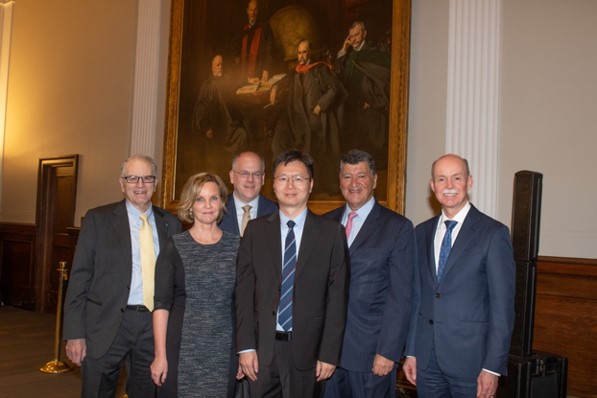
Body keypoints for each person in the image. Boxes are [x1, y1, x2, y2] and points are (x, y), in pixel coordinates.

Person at [63, 155, 182, 398]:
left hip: (153, 327)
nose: (140, 184)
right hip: (106, 324)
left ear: (156, 183)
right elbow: (79, 277)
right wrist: (75, 333)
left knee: (148, 392)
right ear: (122, 183)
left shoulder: (171, 224)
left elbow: (176, 282)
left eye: (147, 178)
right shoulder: (98, 219)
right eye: (133, 178)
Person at [236, 150, 348, 397]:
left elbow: (337, 300)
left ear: (311, 185)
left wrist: (329, 354)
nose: (290, 185)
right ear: (273, 185)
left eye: (298, 178)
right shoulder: (254, 232)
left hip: (308, 354)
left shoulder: (332, 234)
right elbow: (243, 294)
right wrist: (245, 347)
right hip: (261, 352)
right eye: (283, 178)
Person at [403, 154, 516, 398]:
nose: (450, 186)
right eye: (441, 179)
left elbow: (503, 308)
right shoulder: (420, 233)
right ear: (432, 186)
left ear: (469, 182)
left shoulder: (493, 234)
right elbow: (417, 299)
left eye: (457, 178)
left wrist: (492, 367)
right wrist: (411, 351)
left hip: (472, 365)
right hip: (427, 361)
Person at [323, 149, 416, 398]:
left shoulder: (398, 228)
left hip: (371, 355)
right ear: (340, 181)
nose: (354, 183)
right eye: (347, 176)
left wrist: (388, 351)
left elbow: (402, 296)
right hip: (327, 354)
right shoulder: (323, 224)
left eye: (361, 176)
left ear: (374, 180)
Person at [151, 173, 241, 397]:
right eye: (200, 199)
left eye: (214, 198)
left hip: (225, 349)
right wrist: (160, 355)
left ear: (222, 203)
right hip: (181, 349)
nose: (208, 205)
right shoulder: (174, 246)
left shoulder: (237, 245)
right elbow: (161, 305)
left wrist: (244, 352)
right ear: (190, 205)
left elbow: (243, 305)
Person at [271, 39, 346, 195]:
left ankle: (313, 185)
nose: (301, 56)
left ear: (309, 52)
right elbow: (283, 81)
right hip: (298, 118)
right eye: (299, 53)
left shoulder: (320, 70)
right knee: (281, 138)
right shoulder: (296, 71)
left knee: (311, 142)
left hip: (315, 117)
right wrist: (275, 87)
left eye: (304, 52)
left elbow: (334, 89)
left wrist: (319, 106)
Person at [335, 21, 391, 166]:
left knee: (369, 147)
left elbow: (382, 76)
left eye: (357, 34)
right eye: (351, 36)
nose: (353, 39)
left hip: (371, 103)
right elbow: (339, 75)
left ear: (364, 34)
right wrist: (343, 49)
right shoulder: (350, 54)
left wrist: (370, 99)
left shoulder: (374, 50)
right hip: (352, 104)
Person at [193, 54, 250, 154]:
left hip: (230, 121)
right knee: (243, 134)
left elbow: (237, 82)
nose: (220, 67)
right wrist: (207, 127)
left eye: (222, 64)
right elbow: (201, 108)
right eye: (217, 65)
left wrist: (249, 80)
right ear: (212, 68)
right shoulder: (209, 86)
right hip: (220, 127)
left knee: (249, 124)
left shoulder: (225, 79)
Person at [219, 151, 278, 236]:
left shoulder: (275, 212)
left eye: (256, 174)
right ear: (232, 176)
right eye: (244, 173)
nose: (250, 179)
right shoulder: (217, 209)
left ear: (263, 178)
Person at [235, 0, 277, 83]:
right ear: (247, 11)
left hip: (260, 73)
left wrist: (266, 69)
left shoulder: (264, 28)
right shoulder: (243, 29)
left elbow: (270, 49)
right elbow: (236, 52)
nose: (253, 13)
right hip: (245, 76)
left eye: (255, 10)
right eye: (250, 10)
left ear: (258, 11)